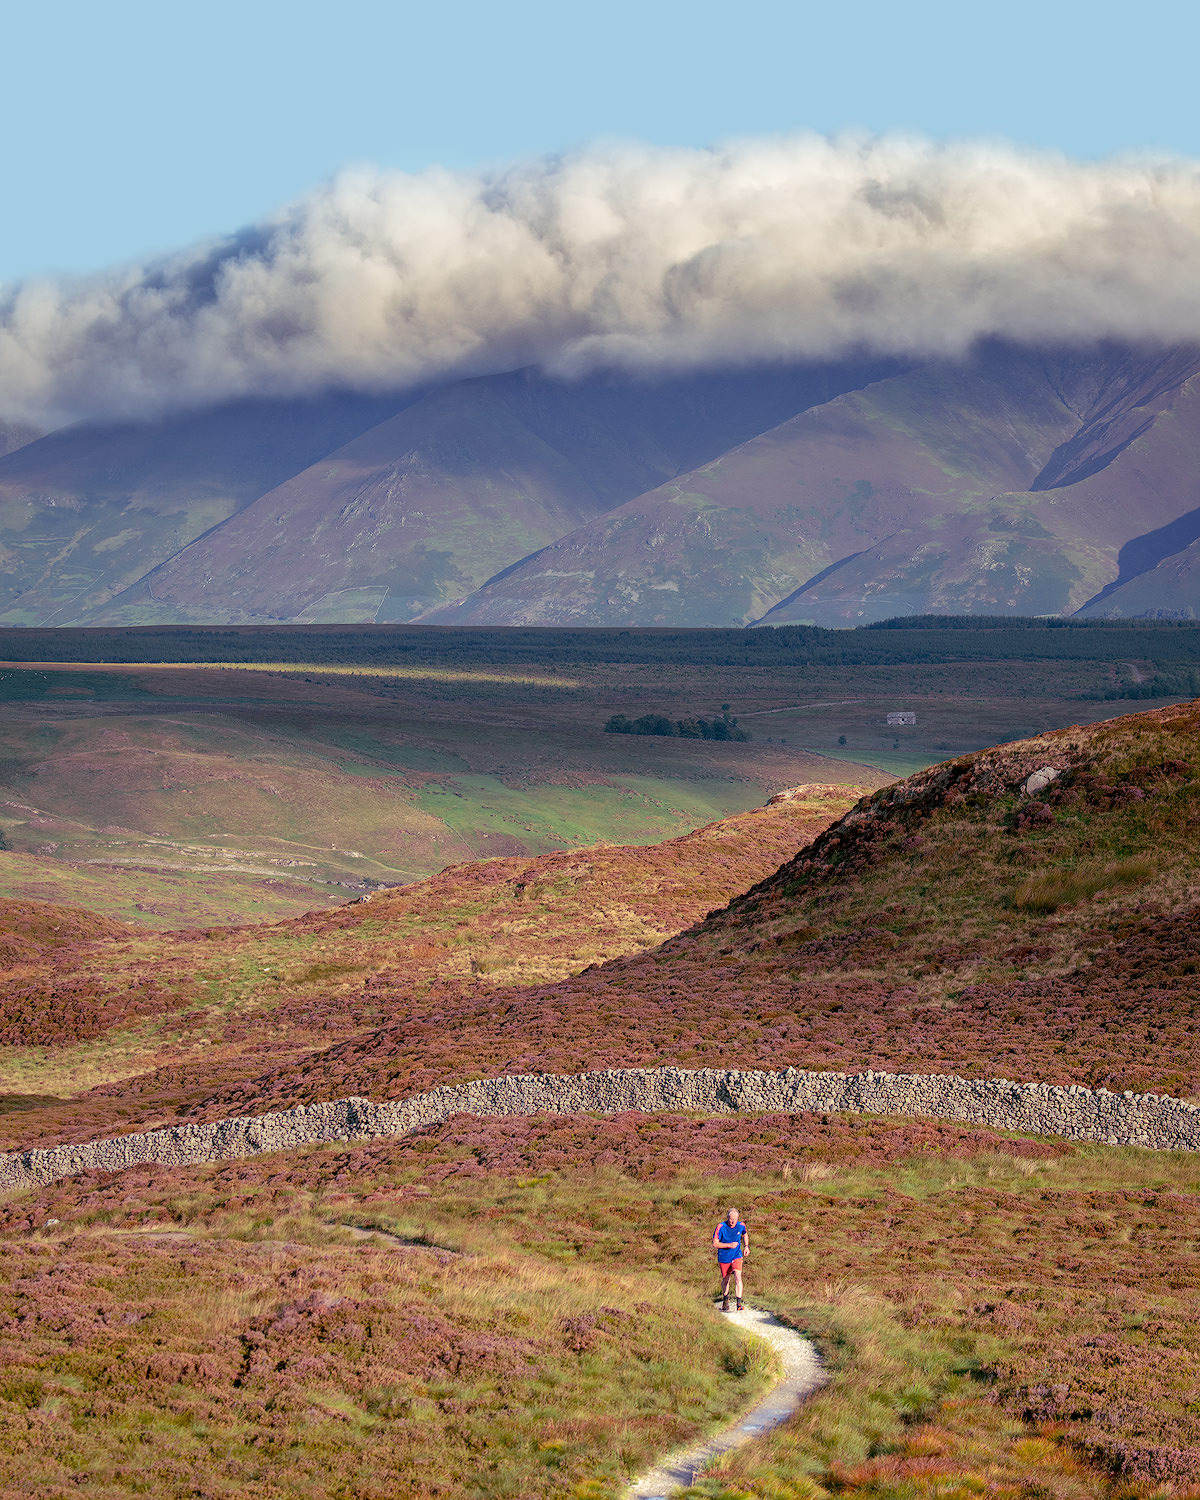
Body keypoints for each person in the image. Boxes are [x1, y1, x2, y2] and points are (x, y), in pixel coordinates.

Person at [712, 1206, 748, 1311]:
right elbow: (715, 1244)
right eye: (730, 1219)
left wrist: (746, 1246)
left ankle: (738, 1304)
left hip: (737, 1255)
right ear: (727, 1217)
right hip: (724, 1256)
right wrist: (729, 1245)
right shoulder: (721, 1227)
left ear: (737, 1219)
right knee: (726, 1279)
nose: (732, 1222)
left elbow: (745, 1234)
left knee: (738, 1276)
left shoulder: (741, 1225)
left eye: (734, 1220)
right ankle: (725, 1299)